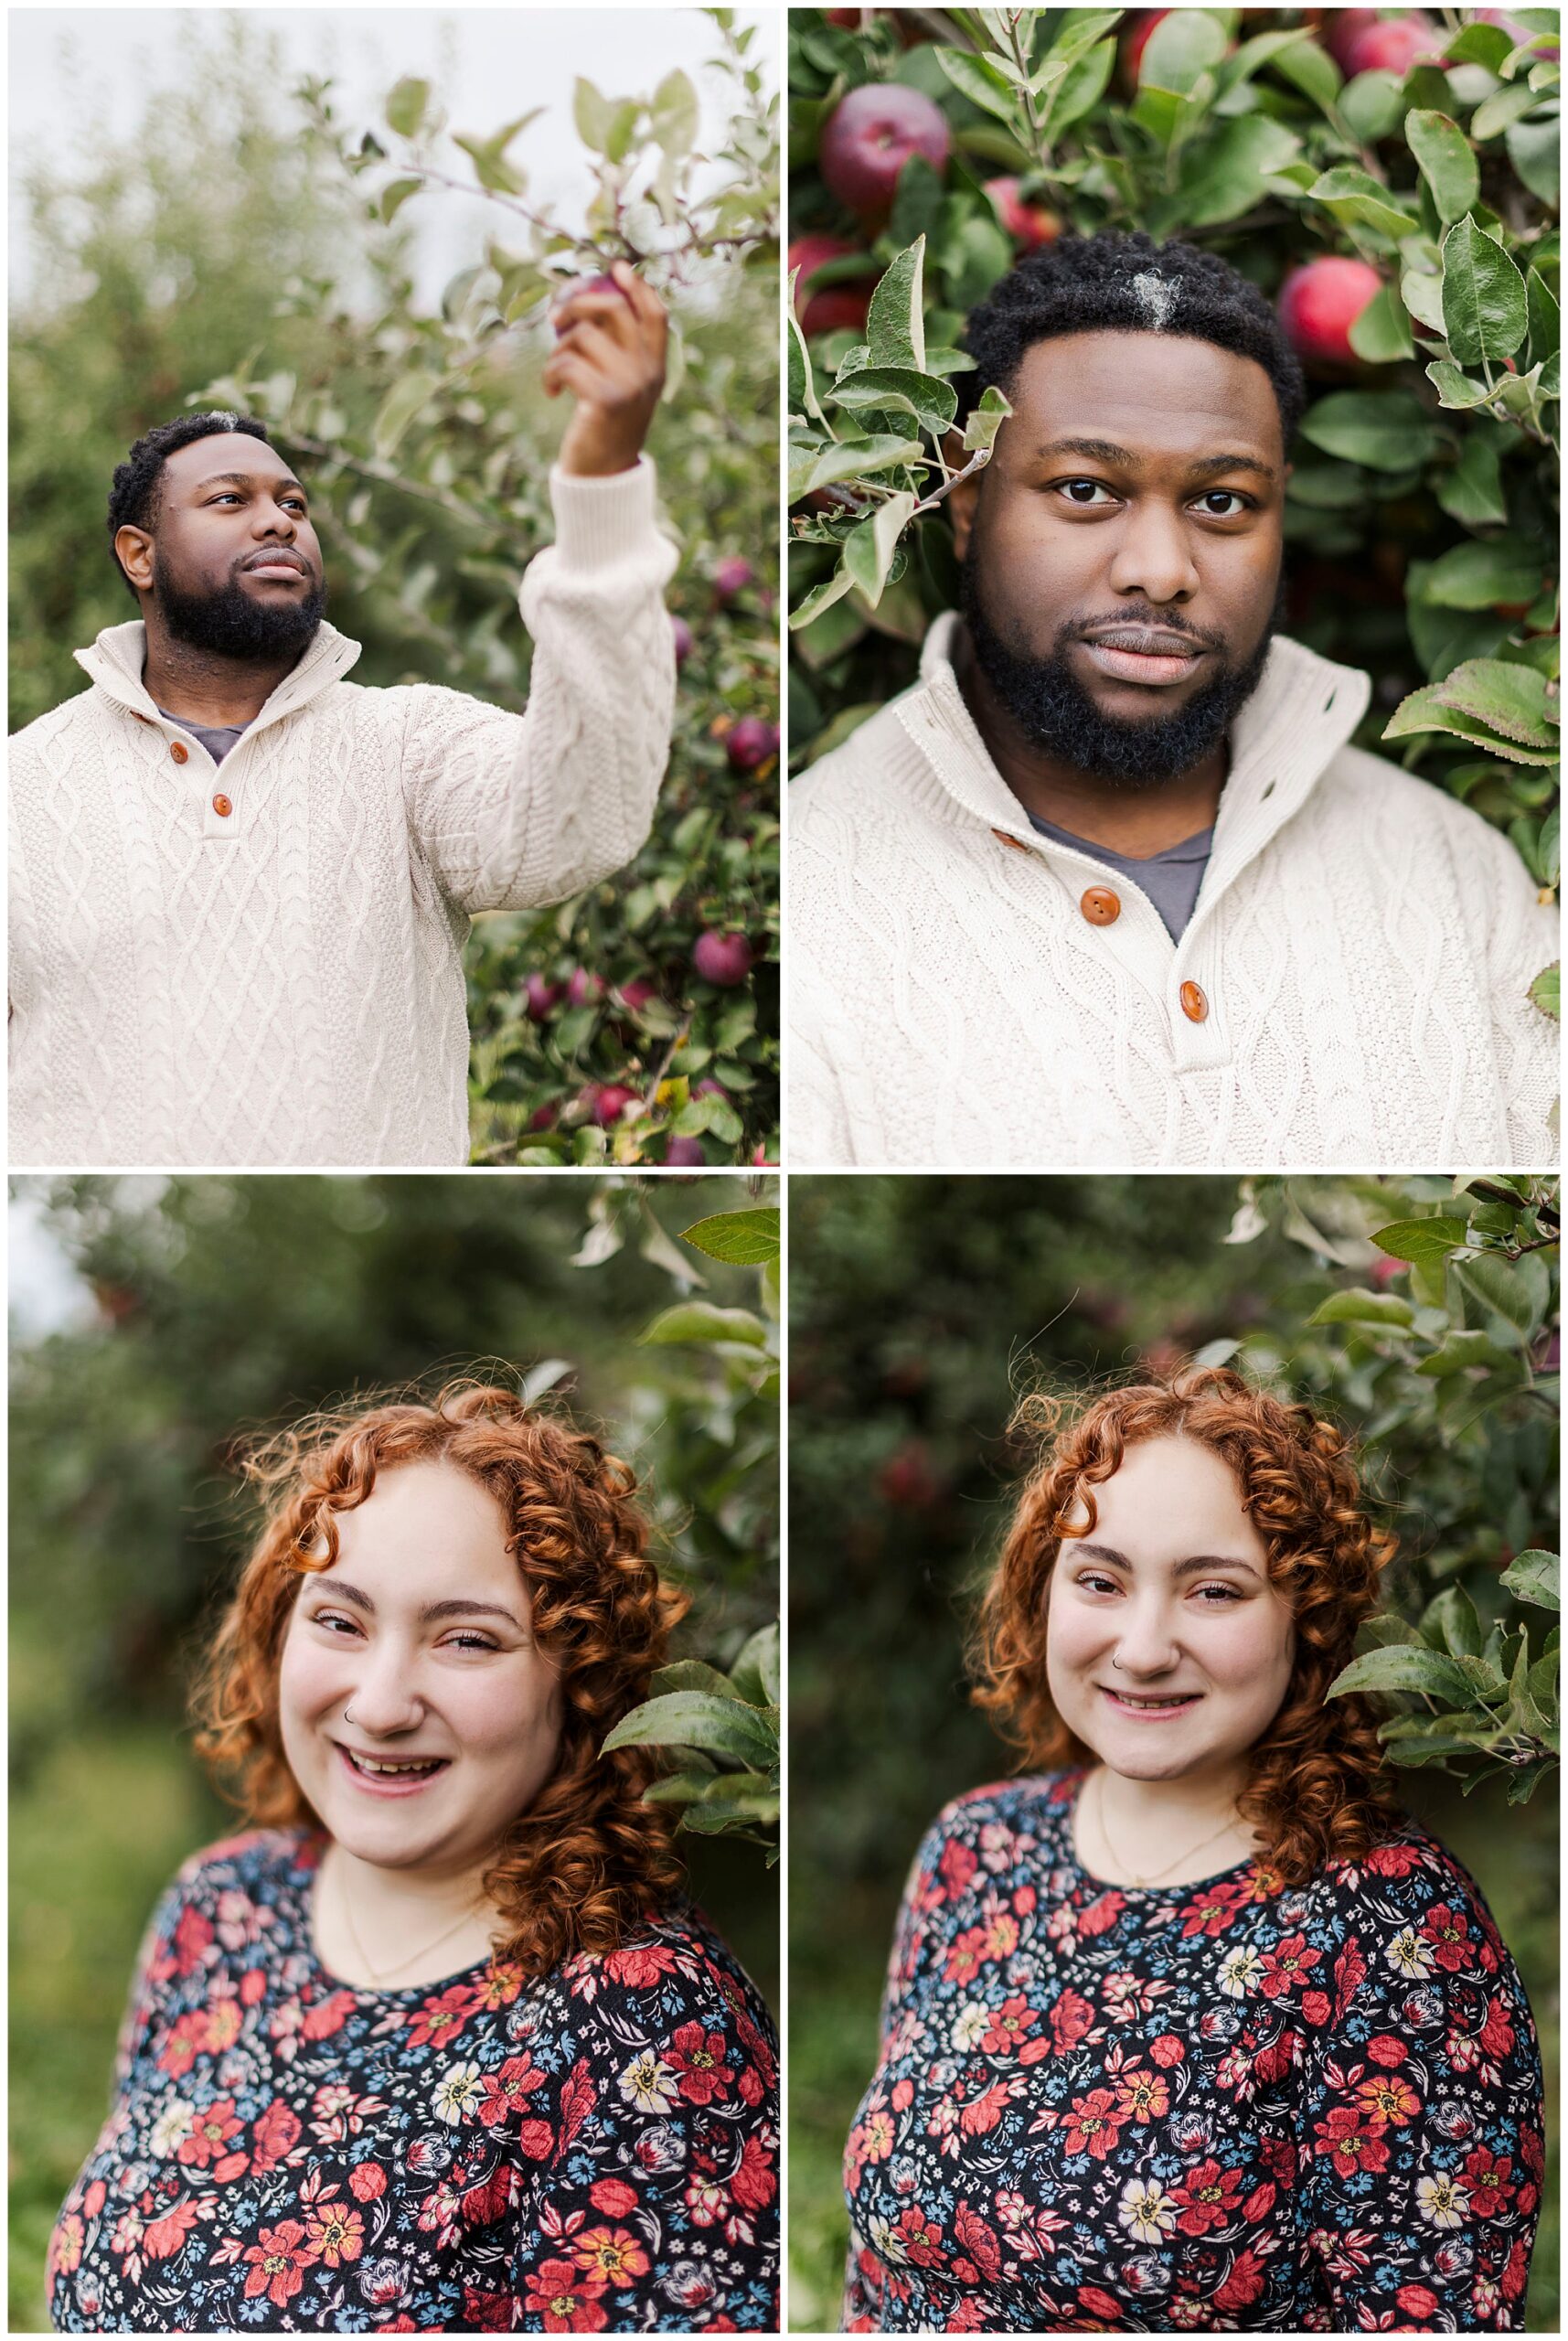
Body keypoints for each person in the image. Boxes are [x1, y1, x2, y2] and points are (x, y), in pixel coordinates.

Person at [789, 231, 1557, 1169]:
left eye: (1221, 503)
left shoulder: (1454, 879)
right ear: (964, 500)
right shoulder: (812, 898)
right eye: (1083, 489)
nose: (1158, 571)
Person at [48, 1384, 778, 2333]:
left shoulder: (644, 2023)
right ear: (278, 1633)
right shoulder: (222, 1908)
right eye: (340, 1621)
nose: (382, 1702)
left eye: (466, 1638)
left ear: (582, 1688)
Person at [842, 1366, 1542, 2332]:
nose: (1139, 1645)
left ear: (1305, 1619)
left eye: (1211, 1590)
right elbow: (875, 2284)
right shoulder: (976, 1849)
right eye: (1100, 1579)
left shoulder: (1392, 1926)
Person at [11, 266, 677, 1169]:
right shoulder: (23, 789)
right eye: (229, 501)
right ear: (139, 553)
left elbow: (577, 822)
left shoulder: (406, 748)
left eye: (293, 503)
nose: (279, 522)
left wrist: (600, 484)